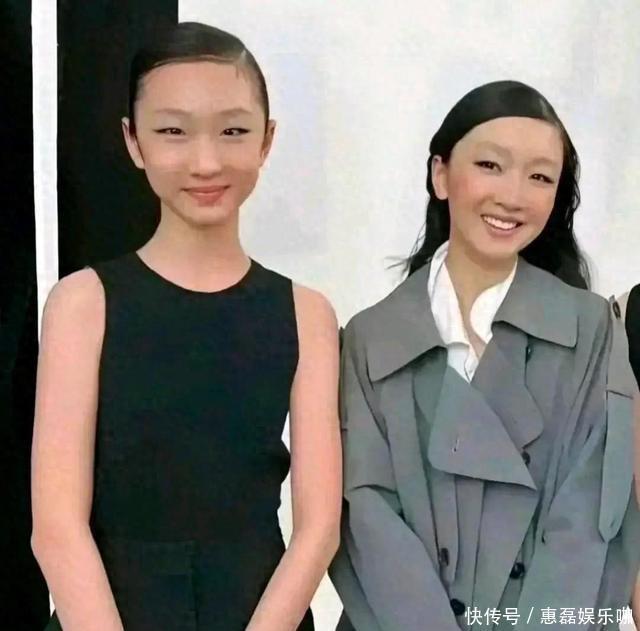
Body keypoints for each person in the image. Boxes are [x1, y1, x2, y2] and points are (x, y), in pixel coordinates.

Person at [31, 22, 341, 631]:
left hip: (261, 611)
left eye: (233, 131)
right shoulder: (82, 304)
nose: (205, 161)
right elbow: (56, 528)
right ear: (134, 140)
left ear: (266, 140)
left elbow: (319, 528)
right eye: (173, 131)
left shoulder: (307, 313)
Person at [330, 80, 640, 630]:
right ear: (440, 174)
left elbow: (592, 514)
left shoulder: (592, 329)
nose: (513, 196)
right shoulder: (370, 339)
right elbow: (367, 518)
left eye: (540, 177)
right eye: (491, 166)